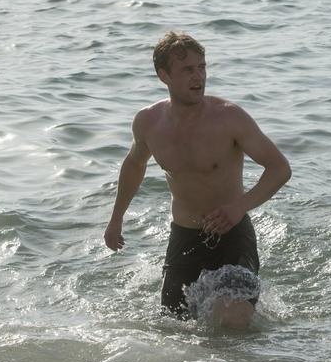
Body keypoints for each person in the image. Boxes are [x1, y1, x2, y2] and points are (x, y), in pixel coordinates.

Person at [104, 32, 291, 328]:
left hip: (232, 237)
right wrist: (116, 220)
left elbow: (279, 168)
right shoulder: (149, 122)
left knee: (231, 318)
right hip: (184, 240)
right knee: (172, 329)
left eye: (202, 67)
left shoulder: (229, 117)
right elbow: (134, 165)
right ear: (163, 75)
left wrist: (238, 207)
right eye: (188, 69)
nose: (199, 76)